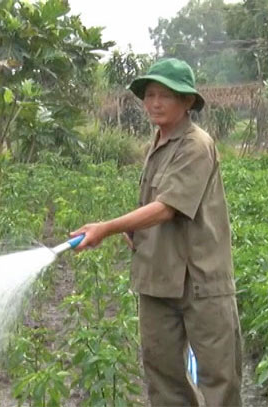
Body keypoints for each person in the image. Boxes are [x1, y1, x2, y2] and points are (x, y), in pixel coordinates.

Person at [71, 58, 242, 407]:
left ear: (187, 102)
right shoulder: (158, 142)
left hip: (200, 280)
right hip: (157, 277)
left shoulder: (196, 144)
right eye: (150, 95)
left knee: (219, 379)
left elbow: (168, 207)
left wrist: (107, 227)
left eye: (166, 95)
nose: (155, 103)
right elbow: (155, 204)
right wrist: (137, 233)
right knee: (163, 378)